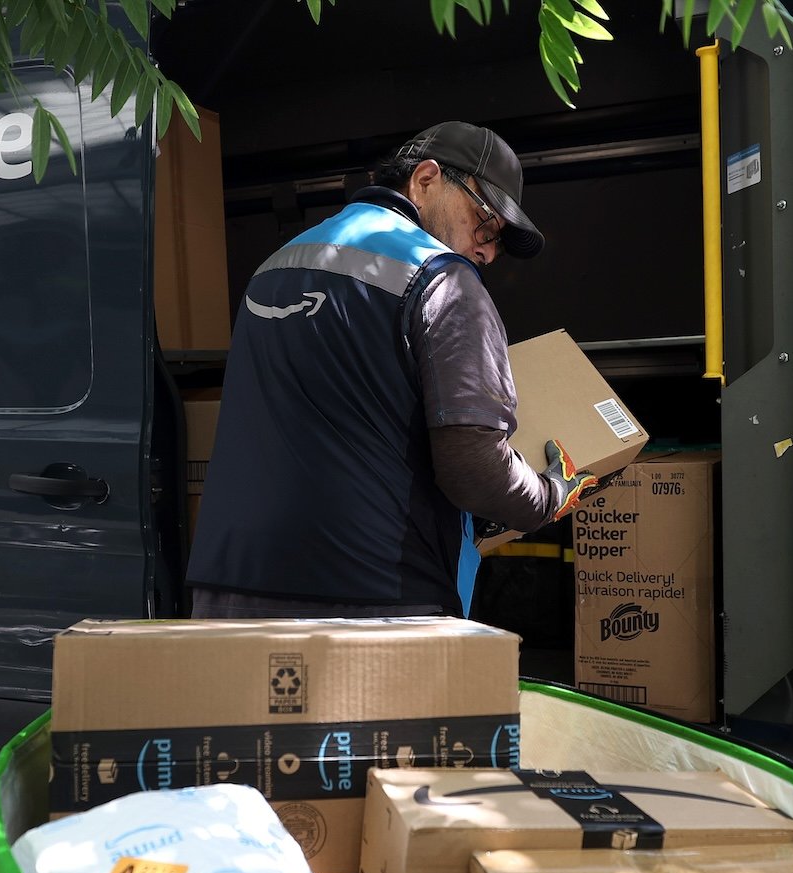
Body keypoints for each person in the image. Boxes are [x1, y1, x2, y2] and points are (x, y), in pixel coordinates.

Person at [186, 120, 598, 619]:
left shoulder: (274, 267)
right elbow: (471, 465)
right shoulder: (441, 280)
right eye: (486, 223)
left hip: (231, 587)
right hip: (373, 598)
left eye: (498, 244)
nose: (488, 250)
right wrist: (549, 496)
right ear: (425, 180)